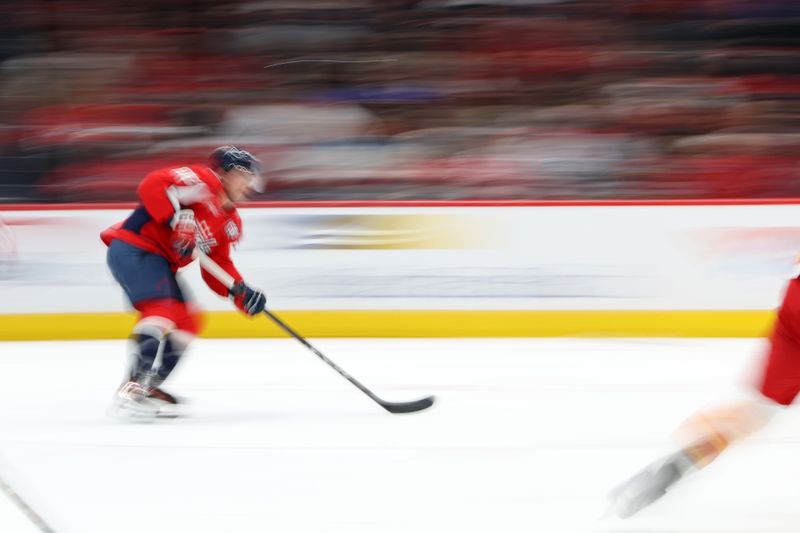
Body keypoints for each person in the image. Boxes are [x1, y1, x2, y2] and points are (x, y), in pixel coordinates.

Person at [608, 273, 800, 517]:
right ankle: (684, 458)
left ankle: (684, 459)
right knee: (759, 410)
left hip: (792, 322)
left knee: (757, 410)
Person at [100, 146, 267, 419]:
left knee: (188, 321)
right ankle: (132, 387)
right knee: (161, 309)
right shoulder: (203, 181)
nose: (248, 183)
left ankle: (149, 387)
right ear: (223, 173)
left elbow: (218, 266)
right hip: (134, 247)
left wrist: (241, 292)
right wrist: (174, 220)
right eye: (242, 174)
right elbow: (153, 184)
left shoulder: (229, 222)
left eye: (251, 177)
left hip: (160, 262)